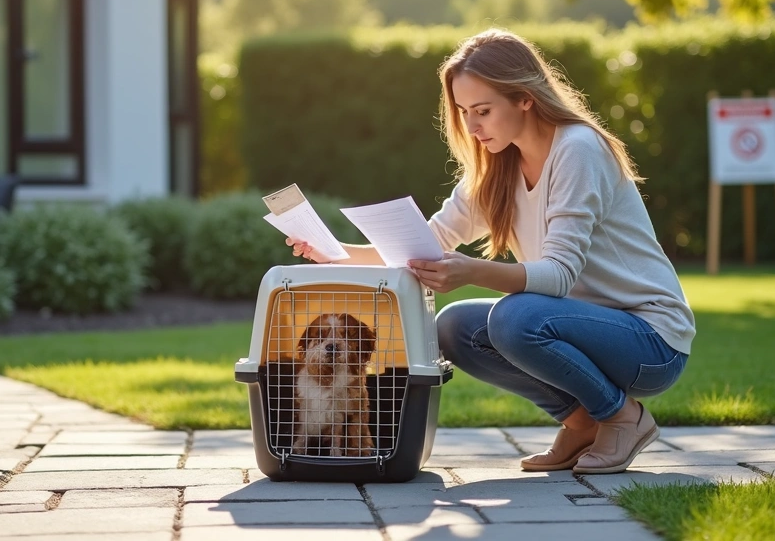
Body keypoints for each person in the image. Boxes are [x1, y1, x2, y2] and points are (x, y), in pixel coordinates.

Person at [286, 28, 694, 475]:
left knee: (514, 318)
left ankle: (622, 418)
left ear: (525, 98)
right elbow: (430, 240)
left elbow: (558, 275)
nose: (472, 127)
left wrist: (472, 271)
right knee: (454, 327)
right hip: (574, 326)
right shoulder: (497, 165)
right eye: (463, 113)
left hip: (649, 341)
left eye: (482, 110)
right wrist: (335, 252)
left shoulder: (578, 150)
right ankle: (582, 424)